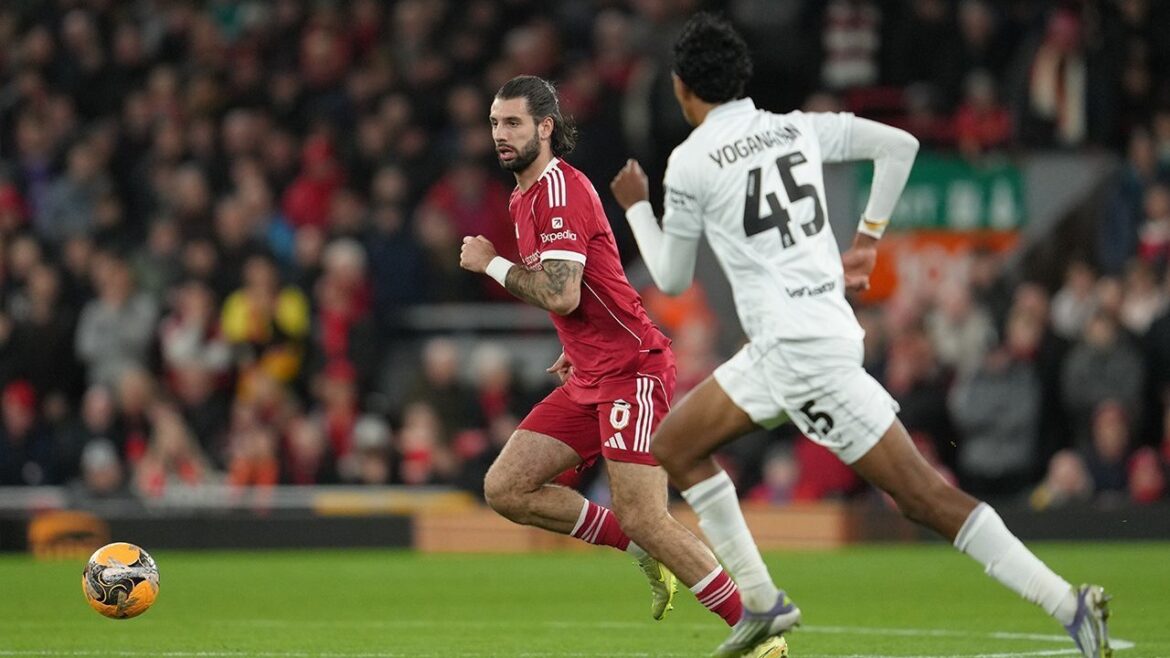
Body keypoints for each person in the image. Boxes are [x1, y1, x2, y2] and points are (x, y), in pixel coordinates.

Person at [608, 13, 1111, 658]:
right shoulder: (796, 128)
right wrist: (868, 238)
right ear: (742, 80)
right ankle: (761, 603)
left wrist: (635, 205)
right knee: (675, 442)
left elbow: (673, 278)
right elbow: (900, 145)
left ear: (682, 88)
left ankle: (1069, 604)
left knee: (922, 496)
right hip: (792, 340)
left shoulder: (690, 160)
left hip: (802, 354)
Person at [458, 75, 747, 633]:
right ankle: (642, 552)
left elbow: (562, 290)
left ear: (545, 127)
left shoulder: (561, 191)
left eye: (512, 122)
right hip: (590, 370)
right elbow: (583, 293)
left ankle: (755, 622)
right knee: (506, 488)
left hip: (632, 370)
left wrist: (491, 263)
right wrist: (576, 344)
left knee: (645, 514)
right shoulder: (524, 196)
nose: (500, 134)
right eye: (495, 123)